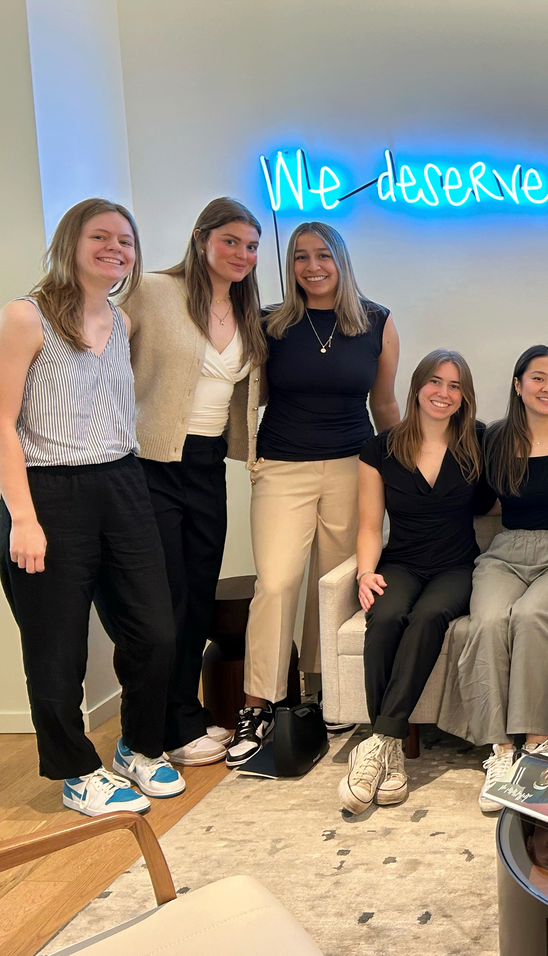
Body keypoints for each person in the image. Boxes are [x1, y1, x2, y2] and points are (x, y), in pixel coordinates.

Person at [0, 198, 182, 816]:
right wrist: (22, 516)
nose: (115, 249)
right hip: (47, 491)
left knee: (154, 629)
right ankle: (77, 771)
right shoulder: (26, 318)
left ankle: (137, 747)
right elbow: (1, 420)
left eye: (125, 242)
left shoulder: (120, 321)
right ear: (71, 242)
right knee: (57, 644)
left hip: (121, 482)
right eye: (101, 237)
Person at [231, 222, 400, 767]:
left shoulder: (376, 322)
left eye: (323, 255)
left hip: (354, 467)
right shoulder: (270, 323)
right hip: (283, 467)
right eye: (300, 257)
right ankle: (259, 703)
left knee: (333, 588)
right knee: (277, 583)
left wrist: (401, 469)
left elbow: (387, 406)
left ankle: (323, 695)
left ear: (341, 260)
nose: (312, 266)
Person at [118, 197, 267, 767]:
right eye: (231, 241)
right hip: (152, 459)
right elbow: (102, 347)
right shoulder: (154, 291)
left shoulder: (248, 312)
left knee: (198, 593)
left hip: (207, 465)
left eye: (251, 246)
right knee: (165, 599)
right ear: (202, 238)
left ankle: (184, 714)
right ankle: (156, 731)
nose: (242, 254)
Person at [440, 345, 548, 812]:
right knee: (487, 621)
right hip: (507, 550)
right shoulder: (495, 437)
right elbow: (478, 499)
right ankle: (500, 751)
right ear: (518, 384)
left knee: (531, 617)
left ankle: (535, 742)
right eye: (538, 378)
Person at [339, 350, 495, 812]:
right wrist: (366, 573)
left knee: (428, 616)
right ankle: (390, 755)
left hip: (456, 565)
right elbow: (370, 525)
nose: (443, 393)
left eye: (454, 386)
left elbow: (501, 495)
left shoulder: (479, 442)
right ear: (417, 387)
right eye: (435, 382)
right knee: (385, 616)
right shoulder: (381, 447)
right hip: (401, 561)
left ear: (464, 396)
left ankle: (379, 741)